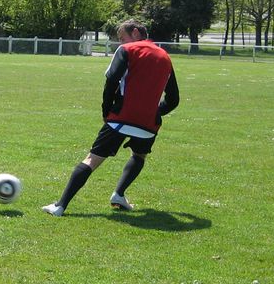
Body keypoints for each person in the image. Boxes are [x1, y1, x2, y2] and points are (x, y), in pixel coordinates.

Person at [42, 19, 179, 217]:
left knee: (92, 160)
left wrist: (107, 111)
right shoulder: (165, 57)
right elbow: (174, 99)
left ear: (134, 32)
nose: (121, 43)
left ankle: (60, 206)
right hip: (148, 125)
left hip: (120, 118)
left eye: (122, 37)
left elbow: (112, 79)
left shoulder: (127, 50)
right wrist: (155, 112)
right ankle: (119, 195)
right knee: (139, 156)